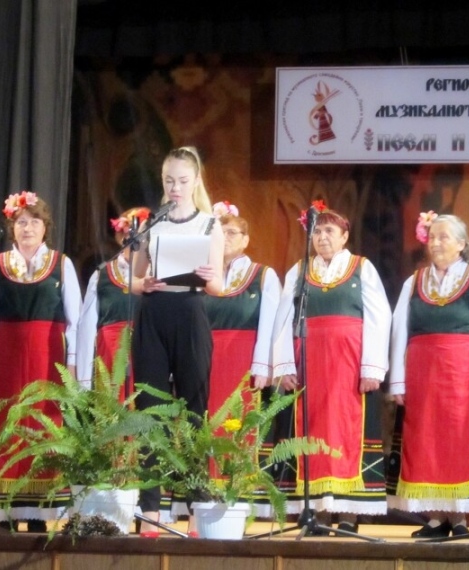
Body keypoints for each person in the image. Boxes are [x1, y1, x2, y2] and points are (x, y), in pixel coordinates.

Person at [270, 201, 391, 533]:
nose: (322, 237)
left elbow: (379, 316)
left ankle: (348, 511)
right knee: (311, 428)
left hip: (347, 362)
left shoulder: (361, 267)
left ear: (344, 236)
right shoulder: (299, 270)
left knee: (344, 427)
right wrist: (283, 364)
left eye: (329, 231)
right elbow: (284, 318)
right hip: (309, 358)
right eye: (317, 231)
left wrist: (372, 367)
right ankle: (316, 510)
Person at [386, 212, 469, 538]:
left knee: (457, 442)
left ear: (462, 245)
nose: (436, 243)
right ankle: (437, 517)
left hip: (461, 372)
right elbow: (400, 332)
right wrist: (398, 379)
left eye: (444, 237)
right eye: (433, 237)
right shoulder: (414, 281)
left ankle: (462, 517)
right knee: (426, 441)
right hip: (423, 373)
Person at [131, 146, 224, 537]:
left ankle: (195, 508)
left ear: (196, 181)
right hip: (153, 314)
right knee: (150, 408)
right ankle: (150, 510)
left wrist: (207, 275)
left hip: (189, 313)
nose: (175, 188)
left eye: (183, 181)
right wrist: (145, 282)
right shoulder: (152, 223)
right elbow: (132, 282)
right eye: (169, 180)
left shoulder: (210, 224)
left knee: (193, 408)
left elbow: (218, 287)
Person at [0, 191, 82, 532]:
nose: (27, 228)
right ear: (12, 227)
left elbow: (76, 318)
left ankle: (41, 512)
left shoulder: (61, 265)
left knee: (44, 423)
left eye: (34, 221)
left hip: (47, 357)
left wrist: (75, 366)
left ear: (45, 227)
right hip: (6, 357)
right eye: (21, 222)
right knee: (7, 423)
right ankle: (6, 510)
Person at [189, 200, 281, 518]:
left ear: (245, 240)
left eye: (232, 232)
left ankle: (239, 497)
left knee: (239, 426)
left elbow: (270, 325)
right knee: (204, 423)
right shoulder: (199, 275)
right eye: (219, 231)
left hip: (243, 363)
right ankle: (202, 494)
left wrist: (262, 366)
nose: (225, 237)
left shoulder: (262, 276)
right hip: (205, 361)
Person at [76, 206, 150, 391]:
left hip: (148, 355)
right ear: (122, 238)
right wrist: (83, 381)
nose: (136, 244)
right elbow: (86, 327)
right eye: (129, 238)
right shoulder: (102, 275)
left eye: (143, 239)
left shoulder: (158, 274)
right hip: (109, 356)